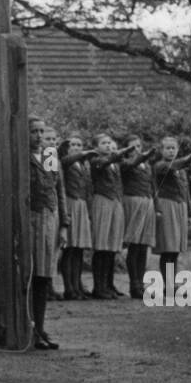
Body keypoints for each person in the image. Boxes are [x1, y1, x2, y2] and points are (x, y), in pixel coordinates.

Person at [28, 117, 67, 349]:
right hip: (29, 220)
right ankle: (28, 327)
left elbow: (57, 190)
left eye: (42, 131)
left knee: (44, 276)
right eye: (34, 131)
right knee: (29, 275)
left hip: (49, 218)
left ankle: (40, 328)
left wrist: (64, 224)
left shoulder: (50, 156)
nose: (39, 136)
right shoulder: (20, 157)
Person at [152, 137, 191, 303]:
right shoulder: (160, 166)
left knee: (176, 249)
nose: (171, 151)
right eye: (168, 148)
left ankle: (173, 284)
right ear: (162, 150)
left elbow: (186, 192)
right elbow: (171, 166)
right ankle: (167, 285)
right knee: (167, 248)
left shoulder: (182, 171)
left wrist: (190, 212)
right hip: (167, 205)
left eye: (173, 148)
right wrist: (186, 160)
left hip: (180, 207)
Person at [120, 135, 160, 299]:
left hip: (147, 202)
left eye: (138, 146)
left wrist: (156, 207)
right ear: (127, 151)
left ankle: (141, 284)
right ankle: (133, 284)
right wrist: (144, 155)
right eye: (132, 147)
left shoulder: (147, 165)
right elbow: (131, 164)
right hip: (133, 202)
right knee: (134, 245)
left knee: (144, 245)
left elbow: (153, 187)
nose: (137, 149)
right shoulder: (125, 163)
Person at [60, 133, 97, 300]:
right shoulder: (65, 162)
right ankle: (69, 288)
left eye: (79, 145)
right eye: (73, 145)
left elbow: (88, 188)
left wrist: (88, 211)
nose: (76, 148)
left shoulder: (84, 165)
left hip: (81, 205)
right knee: (69, 248)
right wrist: (80, 155)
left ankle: (77, 285)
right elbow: (65, 161)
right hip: (70, 202)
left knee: (79, 249)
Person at [88, 135, 124, 300]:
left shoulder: (115, 164)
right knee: (101, 246)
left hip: (115, 201)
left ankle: (108, 284)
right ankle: (98, 286)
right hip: (102, 200)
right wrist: (113, 157)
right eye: (104, 143)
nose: (108, 146)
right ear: (96, 147)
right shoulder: (96, 160)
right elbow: (103, 163)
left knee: (111, 246)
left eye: (109, 143)